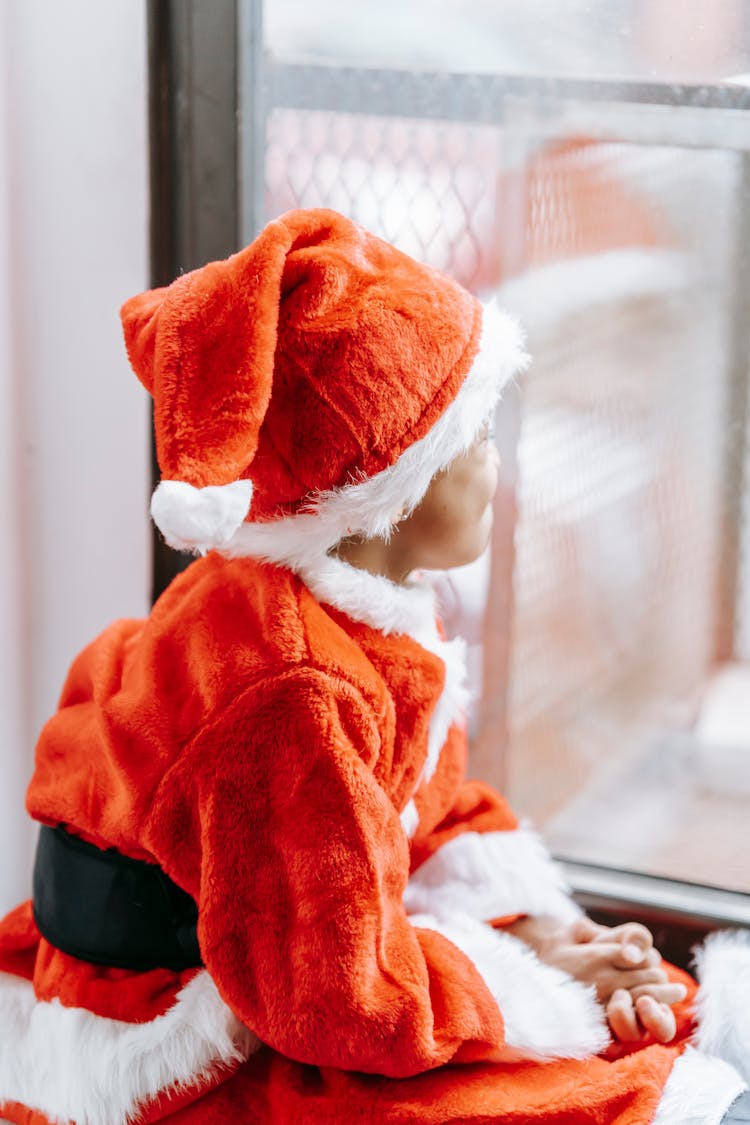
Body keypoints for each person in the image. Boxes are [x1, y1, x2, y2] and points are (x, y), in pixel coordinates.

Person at [0, 208, 747, 1125]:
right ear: (385, 490)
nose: (495, 460)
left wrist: (547, 930)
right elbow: (338, 997)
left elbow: (418, 807)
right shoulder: (294, 692)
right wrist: (549, 996)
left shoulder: (370, 617)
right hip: (172, 1003)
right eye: (472, 439)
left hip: (294, 933)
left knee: (648, 1009)